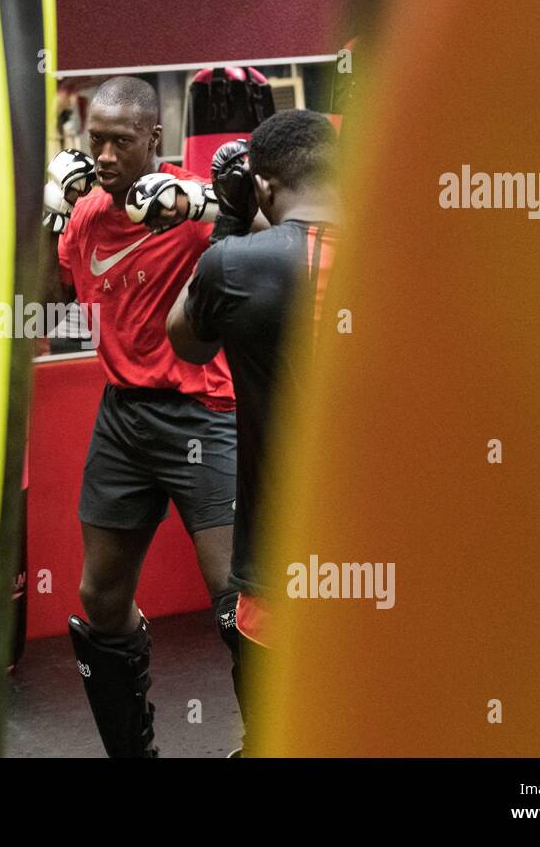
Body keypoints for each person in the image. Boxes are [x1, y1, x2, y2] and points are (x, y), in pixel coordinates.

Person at [41, 75, 249, 757]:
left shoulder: (189, 204)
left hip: (202, 415)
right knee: (100, 596)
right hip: (123, 419)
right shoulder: (85, 214)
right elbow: (53, 302)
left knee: (233, 598)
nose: (102, 154)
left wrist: (213, 202)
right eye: (94, 139)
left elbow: (278, 226)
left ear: (152, 140)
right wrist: (46, 219)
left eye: (119, 141)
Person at [166, 108, 341, 755]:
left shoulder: (237, 265)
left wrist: (229, 219)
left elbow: (183, 340)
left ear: (263, 186)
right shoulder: (409, 253)